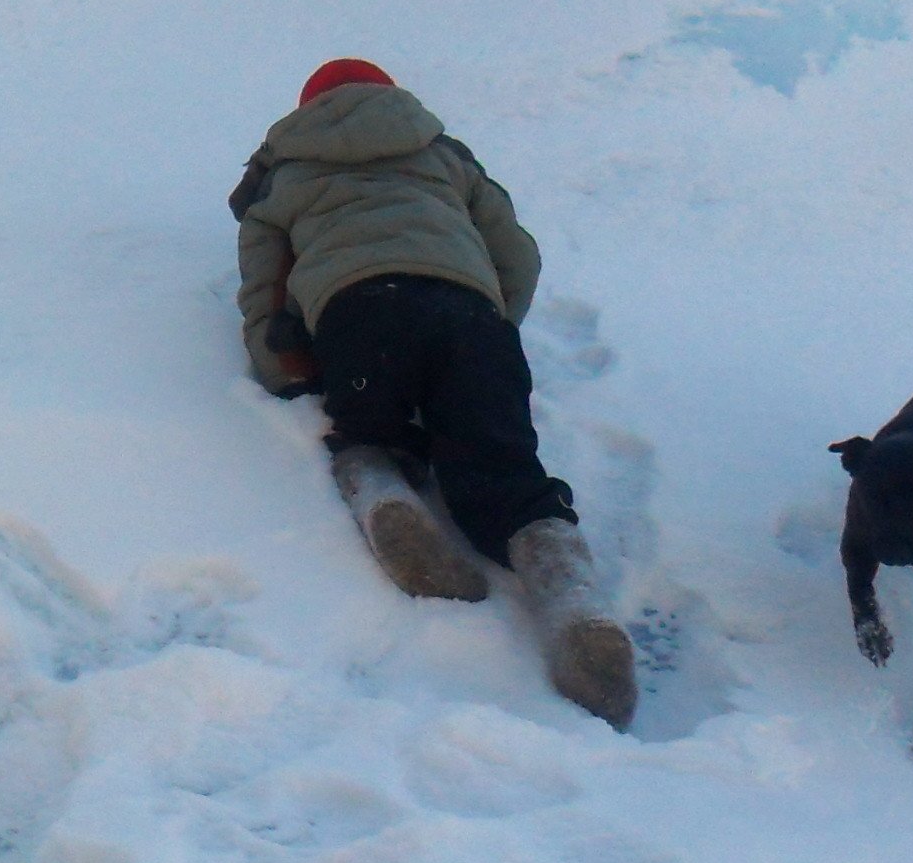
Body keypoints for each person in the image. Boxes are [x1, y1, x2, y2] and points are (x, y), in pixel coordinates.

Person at [230, 57, 635, 723]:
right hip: (466, 315)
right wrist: (494, 325)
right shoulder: (443, 155)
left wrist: (287, 372)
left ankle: (386, 494)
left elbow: (263, 291)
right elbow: (519, 255)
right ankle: (574, 605)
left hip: (359, 315)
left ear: (307, 110)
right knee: (507, 475)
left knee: (370, 437)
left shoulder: (284, 174)